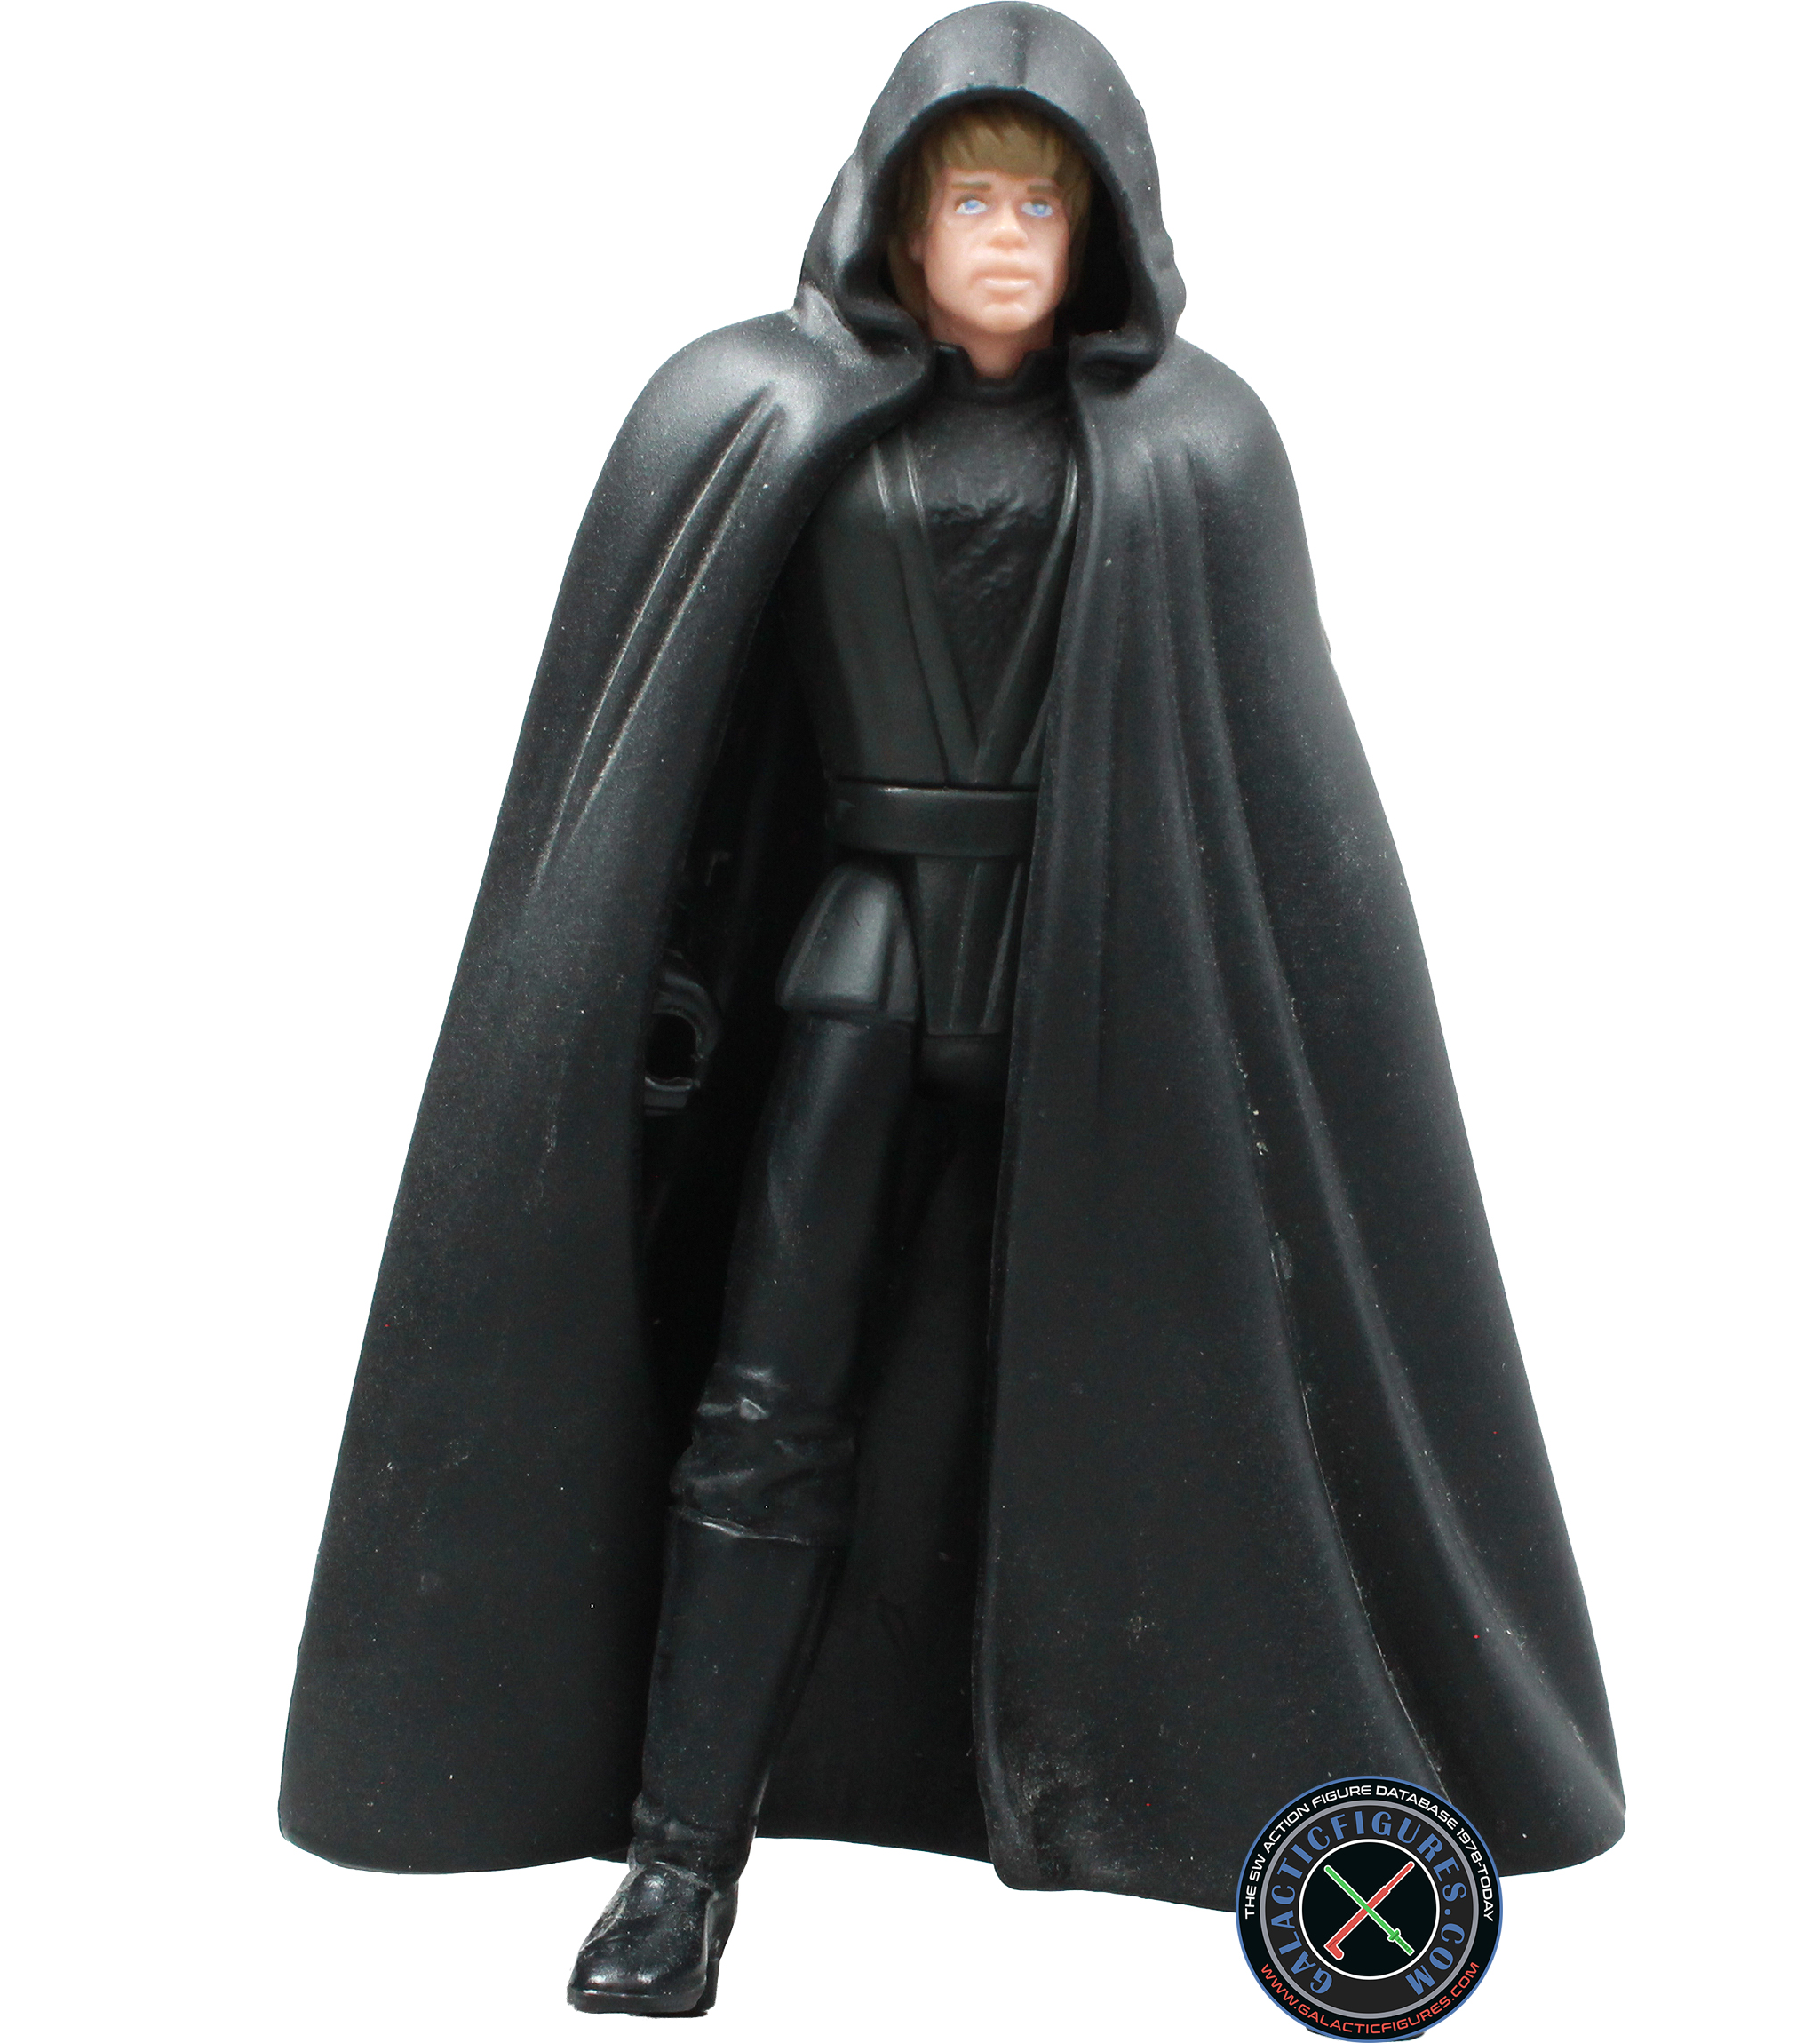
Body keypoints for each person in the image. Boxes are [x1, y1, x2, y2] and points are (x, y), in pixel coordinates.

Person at [282, 6, 1623, 2019]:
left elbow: (1277, 790)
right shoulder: (747, 410)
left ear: (1105, 225)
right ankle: (679, 1860)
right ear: (896, 220)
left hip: (1115, 979)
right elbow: (677, 751)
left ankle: (1225, 1819)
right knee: (763, 1410)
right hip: (856, 966)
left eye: (1041, 200)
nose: (1005, 234)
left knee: (1171, 1382)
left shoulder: (1196, 450)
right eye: (968, 196)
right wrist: (656, 980)